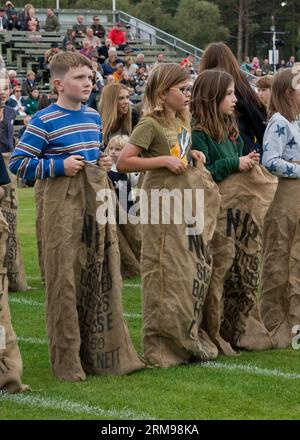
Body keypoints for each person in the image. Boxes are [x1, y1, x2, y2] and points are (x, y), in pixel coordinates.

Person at [9, 52, 112, 381]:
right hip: (58, 209)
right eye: (80, 77)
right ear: (58, 84)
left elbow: (95, 155)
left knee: (94, 274)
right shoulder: (43, 121)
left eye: (91, 77)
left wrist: (104, 162)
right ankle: (67, 362)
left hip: (92, 206)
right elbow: (18, 163)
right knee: (63, 281)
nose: (89, 82)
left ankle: (95, 353)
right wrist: (59, 166)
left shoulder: (94, 117)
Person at [117, 63, 216, 366]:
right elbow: (123, 162)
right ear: (162, 94)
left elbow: (178, 156)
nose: (188, 94)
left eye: (189, 88)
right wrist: (161, 160)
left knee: (183, 272)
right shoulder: (149, 124)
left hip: (183, 203)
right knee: (162, 272)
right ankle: (161, 347)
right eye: (182, 89)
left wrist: (192, 155)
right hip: (160, 204)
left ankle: (183, 339)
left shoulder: (183, 120)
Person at [260, 67, 300, 348]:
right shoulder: (279, 122)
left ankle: (295, 324)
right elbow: (269, 160)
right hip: (283, 197)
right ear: (289, 92)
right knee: (279, 259)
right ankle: (275, 324)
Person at [191, 69, 259, 182]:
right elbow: (203, 175)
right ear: (212, 96)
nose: (235, 99)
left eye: (234, 93)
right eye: (228, 93)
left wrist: (246, 160)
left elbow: (237, 159)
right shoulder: (198, 132)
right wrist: (235, 163)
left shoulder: (230, 127)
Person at [200, 42, 266, 156]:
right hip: (238, 149)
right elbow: (256, 115)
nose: (233, 98)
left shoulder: (204, 84)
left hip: (233, 148)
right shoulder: (239, 83)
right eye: (228, 94)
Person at [99, 83, 134, 147]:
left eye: (127, 97)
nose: (126, 102)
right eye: (121, 98)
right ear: (110, 102)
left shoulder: (134, 118)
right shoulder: (97, 121)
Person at [106, 134, 135, 212]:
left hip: (126, 205)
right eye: (111, 148)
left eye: (117, 149)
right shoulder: (106, 168)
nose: (113, 152)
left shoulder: (129, 169)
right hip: (111, 205)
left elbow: (134, 184)